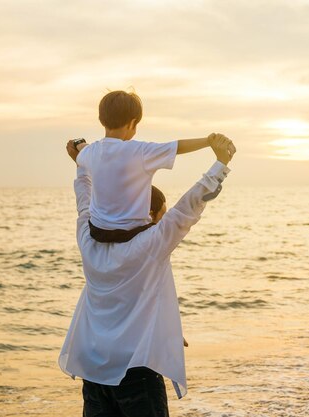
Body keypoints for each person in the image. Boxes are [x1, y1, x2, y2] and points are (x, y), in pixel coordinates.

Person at [59, 134, 236, 416]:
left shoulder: (88, 241)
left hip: (94, 372)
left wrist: (82, 164)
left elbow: (84, 202)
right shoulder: (150, 245)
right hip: (136, 372)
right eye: (161, 214)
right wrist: (221, 163)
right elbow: (189, 206)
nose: (164, 220)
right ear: (149, 213)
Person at [75, 90, 232, 243]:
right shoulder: (140, 151)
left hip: (98, 231)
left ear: (102, 119)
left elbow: (81, 149)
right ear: (132, 123)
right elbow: (177, 147)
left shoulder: (90, 151)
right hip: (131, 233)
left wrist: (79, 144)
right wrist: (207, 141)